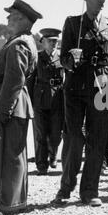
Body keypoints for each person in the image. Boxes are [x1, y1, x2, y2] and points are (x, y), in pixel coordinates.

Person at [53, 0, 108, 207]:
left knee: (98, 138)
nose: (101, 0)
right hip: (75, 86)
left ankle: (90, 190)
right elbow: (63, 59)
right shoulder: (73, 23)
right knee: (74, 137)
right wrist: (71, 59)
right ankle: (66, 186)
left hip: (103, 87)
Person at [0, 0, 41, 215]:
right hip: (13, 103)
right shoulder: (20, 41)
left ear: (23, 19)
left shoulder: (19, 44)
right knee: (13, 155)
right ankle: (15, 202)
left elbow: (14, 80)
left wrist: (4, 109)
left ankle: (7, 204)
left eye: (12, 15)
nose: (7, 18)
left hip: (8, 104)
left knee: (7, 156)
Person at [31, 28, 65, 175]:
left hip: (58, 99)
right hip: (40, 99)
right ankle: (41, 165)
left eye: (55, 41)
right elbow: (30, 81)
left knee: (56, 134)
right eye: (50, 41)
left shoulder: (62, 58)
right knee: (40, 134)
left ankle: (53, 154)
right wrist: (30, 101)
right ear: (43, 42)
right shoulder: (37, 58)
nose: (53, 44)